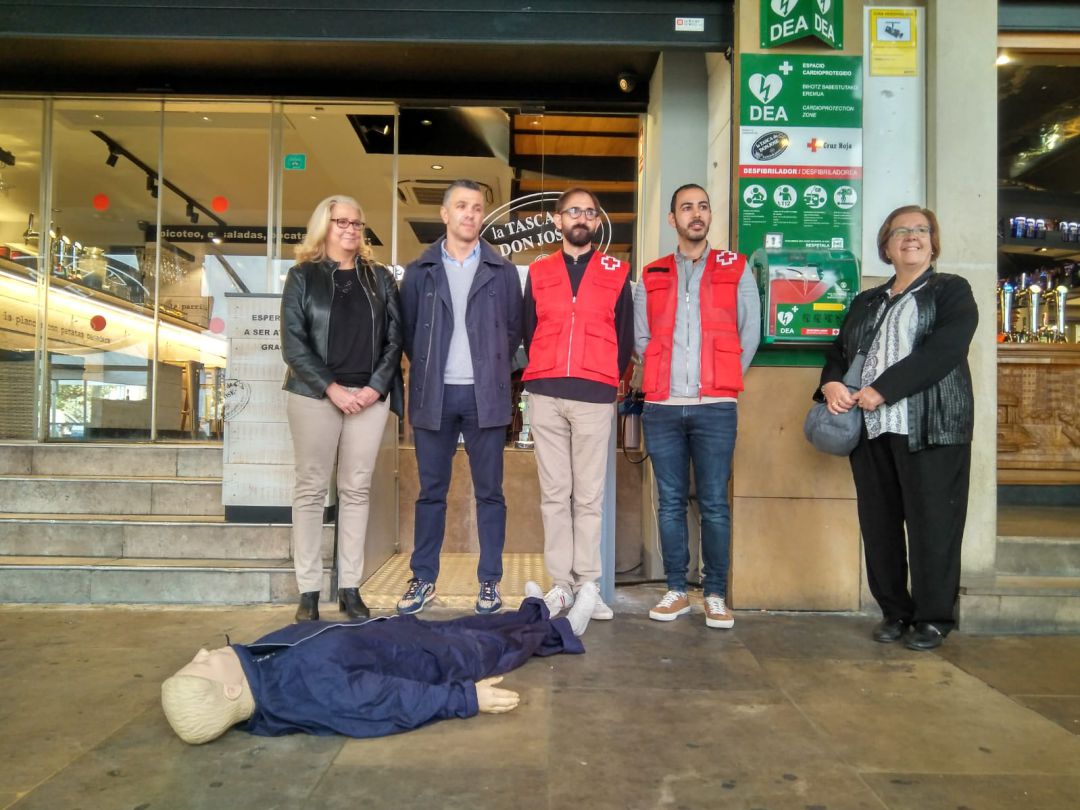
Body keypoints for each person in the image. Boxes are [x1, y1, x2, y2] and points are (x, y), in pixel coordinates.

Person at [816, 205, 978, 651]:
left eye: (921, 230)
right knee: (880, 524)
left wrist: (882, 389)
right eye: (901, 231)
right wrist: (831, 384)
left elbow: (942, 352)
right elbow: (839, 352)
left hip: (932, 427)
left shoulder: (951, 292)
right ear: (886, 246)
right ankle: (894, 611)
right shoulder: (867, 301)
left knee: (933, 523)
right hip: (871, 430)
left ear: (933, 241)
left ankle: (933, 617)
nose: (912, 237)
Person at [161, 591, 583, 744]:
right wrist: (467, 697)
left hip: (401, 637)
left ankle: (540, 607)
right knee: (492, 646)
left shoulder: (260, 664)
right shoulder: (309, 689)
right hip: (425, 663)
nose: (203, 653)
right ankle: (561, 629)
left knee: (474, 625)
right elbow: (386, 702)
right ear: (232, 691)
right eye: (206, 664)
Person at [634, 184, 760, 629]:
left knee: (713, 503)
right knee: (669, 501)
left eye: (703, 206)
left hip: (716, 405)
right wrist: (664, 379)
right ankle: (674, 590)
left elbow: (750, 333)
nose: (696, 214)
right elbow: (641, 338)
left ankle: (714, 594)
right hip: (663, 405)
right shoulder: (651, 273)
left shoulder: (736, 267)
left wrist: (722, 380)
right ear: (673, 219)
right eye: (687, 207)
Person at [398, 180, 524, 616]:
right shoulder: (419, 272)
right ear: (445, 215)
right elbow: (411, 333)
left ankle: (490, 582)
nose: (470, 214)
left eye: (476, 207)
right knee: (431, 492)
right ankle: (424, 579)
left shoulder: (502, 272)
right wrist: (435, 370)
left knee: (490, 493)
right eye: (461, 206)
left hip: (485, 397)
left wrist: (487, 369)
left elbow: (512, 332)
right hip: (433, 395)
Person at [281, 195, 403, 622]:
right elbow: (293, 344)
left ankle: (350, 587)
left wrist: (374, 388)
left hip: (368, 399)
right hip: (315, 395)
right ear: (324, 226)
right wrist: (332, 389)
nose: (351, 229)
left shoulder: (380, 278)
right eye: (341, 222)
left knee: (356, 489)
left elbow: (395, 339)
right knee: (312, 490)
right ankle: (309, 591)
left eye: (357, 222)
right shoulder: (302, 277)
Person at [522, 188, 634, 636]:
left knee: (588, 496)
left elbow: (624, 334)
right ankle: (561, 586)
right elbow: (528, 328)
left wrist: (606, 375)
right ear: (557, 220)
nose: (581, 218)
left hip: (594, 392)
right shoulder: (539, 270)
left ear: (596, 222)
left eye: (589, 212)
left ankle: (589, 584)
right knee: (555, 494)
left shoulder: (616, 271)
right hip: (546, 390)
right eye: (574, 211)